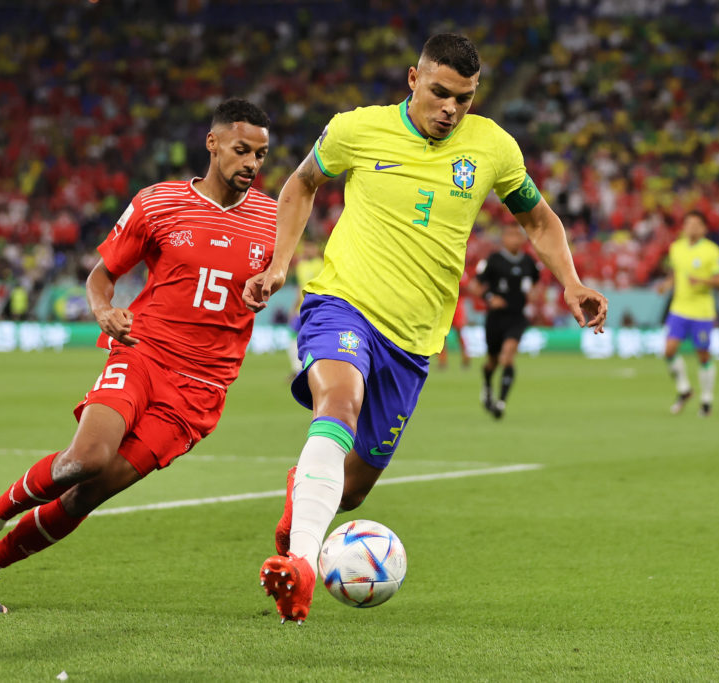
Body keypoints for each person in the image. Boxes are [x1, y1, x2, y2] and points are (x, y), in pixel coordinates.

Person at [243, 33, 608, 624]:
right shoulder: (356, 129)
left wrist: (571, 281)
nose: (450, 109)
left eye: (463, 98)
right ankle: (301, 568)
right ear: (413, 79)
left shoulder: (492, 146)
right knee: (339, 399)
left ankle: (302, 495)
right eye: (440, 92)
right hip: (342, 303)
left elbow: (538, 219)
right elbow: (301, 184)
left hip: (414, 341)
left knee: (354, 486)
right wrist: (280, 265)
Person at [0, 99, 277, 614]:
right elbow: (101, 275)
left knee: (89, 493)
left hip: (201, 389)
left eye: (261, 155)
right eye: (242, 150)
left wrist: (272, 281)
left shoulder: (271, 217)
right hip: (144, 353)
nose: (251, 164)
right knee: (83, 460)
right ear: (213, 143)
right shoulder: (158, 203)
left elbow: (287, 249)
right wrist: (103, 308)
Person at [657, 210, 719, 416]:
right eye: (688, 224)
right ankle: (685, 390)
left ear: (704, 228)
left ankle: (706, 400)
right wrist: (667, 284)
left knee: (703, 355)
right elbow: (677, 273)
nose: (691, 228)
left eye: (696, 224)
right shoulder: (676, 248)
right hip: (679, 308)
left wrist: (702, 281)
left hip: (702, 312)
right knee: (669, 351)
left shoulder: (712, 251)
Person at [472, 223, 540, 419]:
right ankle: (487, 387)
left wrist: (534, 296)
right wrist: (489, 298)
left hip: (516, 317)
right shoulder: (493, 260)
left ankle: (500, 403)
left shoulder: (528, 262)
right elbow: (475, 285)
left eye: (517, 235)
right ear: (503, 238)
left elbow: (537, 284)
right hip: (495, 319)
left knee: (507, 357)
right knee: (492, 362)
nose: (514, 239)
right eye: (510, 235)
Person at [287, 238, 324, 375]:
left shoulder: (321, 265)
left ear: (316, 249)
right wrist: (293, 307)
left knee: (313, 339)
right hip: (300, 309)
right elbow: (300, 288)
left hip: (315, 309)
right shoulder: (301, 265)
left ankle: (311, 369)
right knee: (293, 336)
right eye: (307, 247)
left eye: (311, 247)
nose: (309, 250)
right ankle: (296, 369)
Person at [437, 266, 472, 370]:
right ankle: (442, 360)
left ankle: (466, 358)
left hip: (457, 305)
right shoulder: (442, 267)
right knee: (442, 334)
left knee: (459, 332)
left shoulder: (459, 268)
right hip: (444, 305)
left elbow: (466, 286)